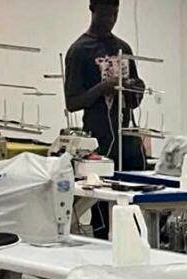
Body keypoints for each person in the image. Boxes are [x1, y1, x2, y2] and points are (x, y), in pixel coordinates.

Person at [65, 0, 146, 237]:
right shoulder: (80, 51)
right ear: (92, 10)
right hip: (99, 142)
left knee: (134, 209)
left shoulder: (123, 48)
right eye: (105, 14)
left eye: (114, 14)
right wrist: (103, 87)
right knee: (101, 209)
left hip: (127, 141)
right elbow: (72, 102)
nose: (110, 20)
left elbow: (133, 101)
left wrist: (136, 89)